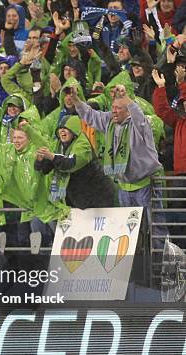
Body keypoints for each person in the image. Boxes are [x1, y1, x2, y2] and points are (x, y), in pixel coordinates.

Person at [71, 82, 169, 246]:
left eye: (118, 108)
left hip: (147, 184)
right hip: (124, 187)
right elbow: (91, 115)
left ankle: (162, 263)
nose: (114, 111)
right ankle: (134, 266)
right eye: (113, 107)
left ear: (128, 111)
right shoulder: (109, 122)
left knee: (156, 227)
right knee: (127, 232)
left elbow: (138, 114)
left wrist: (125, 97)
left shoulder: (140, 124)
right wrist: (76, 100)